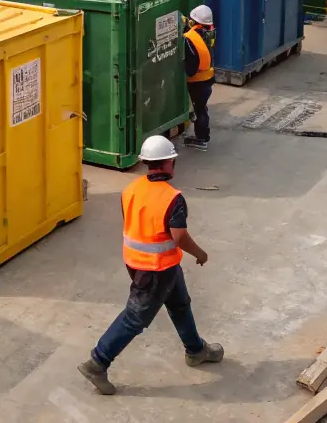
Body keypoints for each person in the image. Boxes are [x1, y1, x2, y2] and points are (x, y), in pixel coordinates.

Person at [78, 135, 223, 396]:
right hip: (155, 270)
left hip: (142, 264)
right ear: (168, 163)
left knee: (180, 303)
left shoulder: (131, 189)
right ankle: (97, 362)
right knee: (134, 318)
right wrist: (200, 253)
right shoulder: (172, 198)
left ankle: (196, 349)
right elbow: (178, 236)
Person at [182, 4, 215, 151]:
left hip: (197, 82)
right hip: (208, 79)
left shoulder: (190, 38)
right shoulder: (209, 33)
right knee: (203, 109)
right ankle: (204, 136)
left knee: (199, 110)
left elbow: (191, 67)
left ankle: (201, 139)